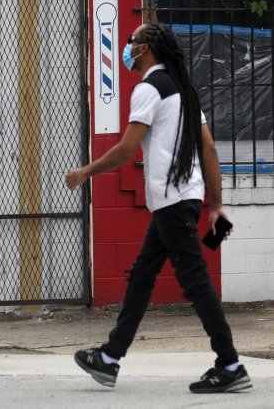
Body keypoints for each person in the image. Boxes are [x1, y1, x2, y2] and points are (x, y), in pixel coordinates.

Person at [66, 23, 252, 393]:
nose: (127, 46)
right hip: (182, 199)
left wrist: (86, 171)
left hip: (171, 200)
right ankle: (109, 358)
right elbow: (210, 149)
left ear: (145, 48)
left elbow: (127, 148)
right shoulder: (185, 90)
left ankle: (230, 364)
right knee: (142, 276)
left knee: (195, 281)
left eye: (132, 41)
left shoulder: (149, 89)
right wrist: (215, 204)